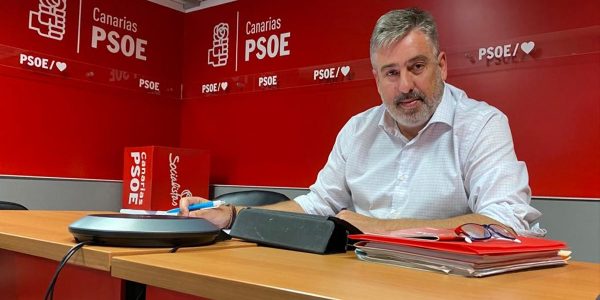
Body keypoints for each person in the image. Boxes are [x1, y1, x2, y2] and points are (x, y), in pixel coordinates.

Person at [180, 8, 545, 236]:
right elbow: (318, 204)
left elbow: (505, 221)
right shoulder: (357, 131)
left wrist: (378, 229)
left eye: (417, 67)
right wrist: (230, 214)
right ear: (376, 78)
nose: (405, 86)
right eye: (391, 73)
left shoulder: (481, 125)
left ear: (442, 65)